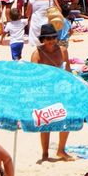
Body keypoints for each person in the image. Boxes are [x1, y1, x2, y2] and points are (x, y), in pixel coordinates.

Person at [31, 24, 72, 161]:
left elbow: (68, 70)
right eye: (48, 38)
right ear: (43, 39)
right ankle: (45, 153)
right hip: (45, 92)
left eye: (53, 37)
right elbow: (33, 77)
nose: (51, 40)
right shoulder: (37, 54)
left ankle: (61, 150)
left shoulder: (63, 50)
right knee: (45, 122)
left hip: (62, 89)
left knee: (66, 119)